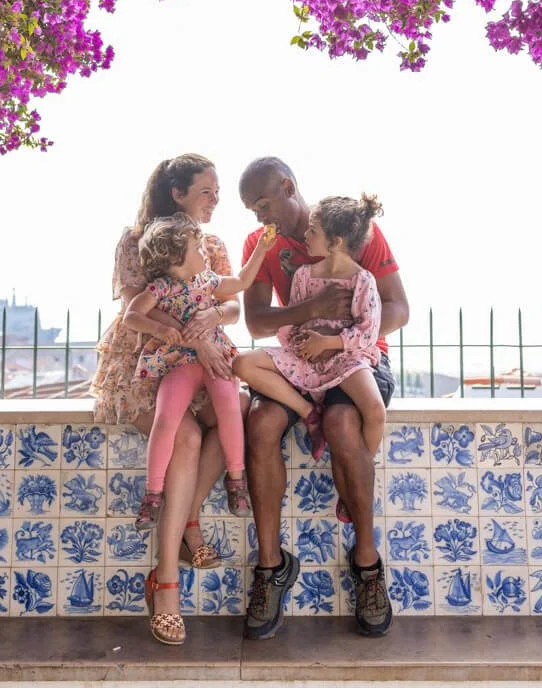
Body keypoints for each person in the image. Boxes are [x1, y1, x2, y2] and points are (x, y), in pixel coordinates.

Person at [238, 157, 409, 640]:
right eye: (251, 209)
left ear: (288, 187)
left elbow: (398, 308)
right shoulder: (260, 244)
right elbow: (257, 323)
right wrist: (310, 310)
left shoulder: (350, 229)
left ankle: (367, 564)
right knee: (262, 424)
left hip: (354, 358)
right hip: (299, 358)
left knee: (342, 425)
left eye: (263, 204)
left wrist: (344, 334)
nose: (258, 217)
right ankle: (271, 568)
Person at [90, 154, 245, 645]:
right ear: (176, 193)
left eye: (216, 190)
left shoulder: (213, 244)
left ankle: (185, 518)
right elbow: (139, 310)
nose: (215, 198)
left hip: (199, 362)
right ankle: (166, 585)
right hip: (147, 363)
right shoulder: (137, 242)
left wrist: (213, 322)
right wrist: (190, 336)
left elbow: (233, 302)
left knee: (238, 410)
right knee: (187, 438)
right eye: (206, 189)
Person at [123, 213, 275, 528]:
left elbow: (243, 282)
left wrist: (261, 248)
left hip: (215, 355)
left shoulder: (208, 280)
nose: (204, 252)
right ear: (177, 257)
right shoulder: (161, 287)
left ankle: (236, 478)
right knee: (166, 420)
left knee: (229, 407)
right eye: (197, 247)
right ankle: (153, 494)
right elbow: (131, 315)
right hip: (179, 361)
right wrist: (159, 329)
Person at [234, 194, 386, 462]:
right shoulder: (304, 275)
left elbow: (367, 333)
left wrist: (327, 343)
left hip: (345, 360)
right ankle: (307, 411)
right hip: (304, 358)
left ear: (335, 242)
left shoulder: (362, 280)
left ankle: (365, 467)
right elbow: (290, 323)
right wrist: (303, 343)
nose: (305, 235)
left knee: (375, 410)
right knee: (242, 363)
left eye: (312, 231)